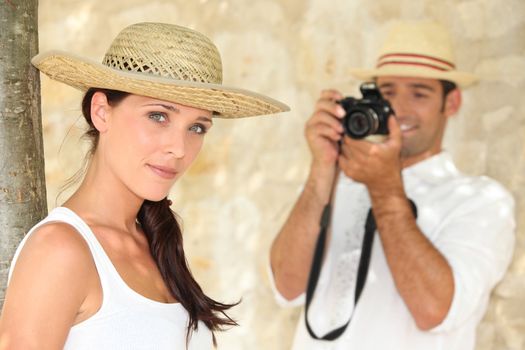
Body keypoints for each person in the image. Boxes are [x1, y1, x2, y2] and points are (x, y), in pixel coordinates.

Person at [0, 22, 288, 349]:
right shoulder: (60, 250)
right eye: (158, 116)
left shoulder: (156, 244)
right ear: (101, 112)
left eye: (196, 127)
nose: (179, 148)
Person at [269, 20, 515, 350]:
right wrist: (321, 170)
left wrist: (385, 190)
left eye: (419, 93)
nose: (399, 109)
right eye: (387, 93)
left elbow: (435, 311)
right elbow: (286, 286)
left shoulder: (482, 200)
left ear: (451, 103)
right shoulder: (333, 183)